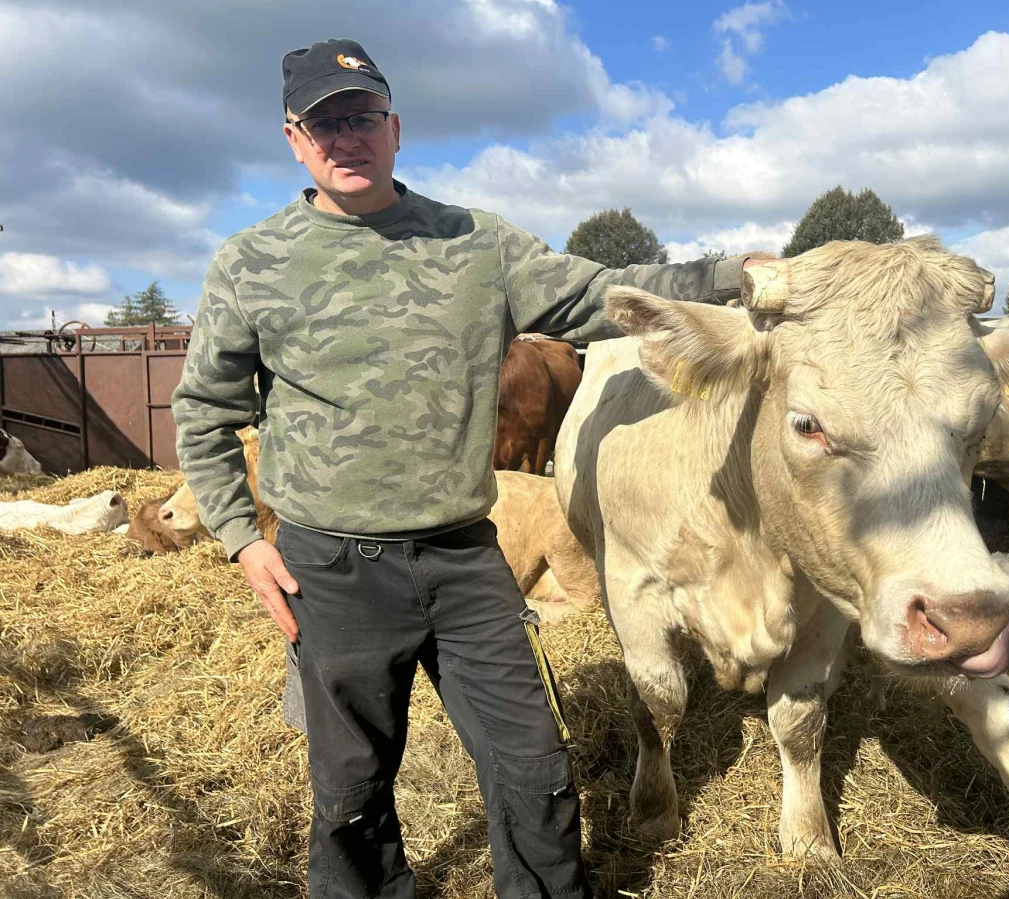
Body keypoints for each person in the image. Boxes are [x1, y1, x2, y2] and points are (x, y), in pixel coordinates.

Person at [172, 38, 761, 899]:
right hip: (329, 569)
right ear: (295, 139)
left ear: (395, 126)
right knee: (349, 791)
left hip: (463, 559)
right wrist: (239, 539)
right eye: (324, 123)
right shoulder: (252, 263)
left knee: (537, 770)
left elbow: (607, 292)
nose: (346, 136)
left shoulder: (476, 244)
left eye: (362, 116)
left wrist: (729, 274)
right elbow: (204, 412)